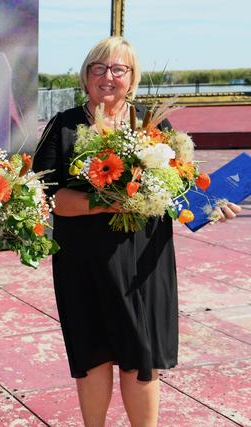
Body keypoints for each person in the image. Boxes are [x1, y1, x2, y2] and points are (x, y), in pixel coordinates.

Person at [32, 36, 241, 427]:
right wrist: (108, 202)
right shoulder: (65, 124)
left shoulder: (153, 122)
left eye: (118, 69)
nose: (107, 76)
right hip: (84, 259)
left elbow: (181, 186)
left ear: (132, 77)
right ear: (86, 75)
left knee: (140, 359)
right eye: (99, 68)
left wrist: (212, 205)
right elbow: (44, 196)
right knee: (92, 354)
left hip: (145, 259)